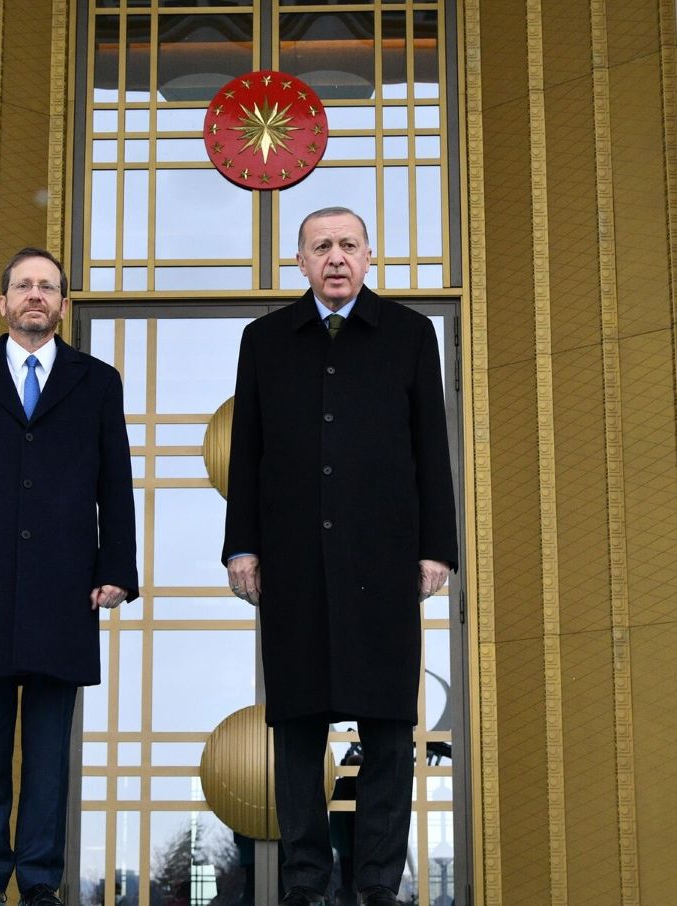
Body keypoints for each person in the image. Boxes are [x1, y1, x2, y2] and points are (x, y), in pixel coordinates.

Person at [222, 208, 457, 906]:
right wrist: (242, 546)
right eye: (320, 246)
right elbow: (249, 454)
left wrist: (436, 550)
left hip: (382, 555)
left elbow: (430, 450)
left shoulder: (409, 335)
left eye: (347, 245)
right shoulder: (263, 340)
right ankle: (303, 878)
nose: (334, 257)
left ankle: (379, 879)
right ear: (298, 261)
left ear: (368, 256)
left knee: (386, 721)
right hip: (292, 557)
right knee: (297, 721)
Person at [0, 248, 138, 906]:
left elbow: (114, 485)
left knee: (47, 750)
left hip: (64, 588)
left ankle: (40, 880)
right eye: (23, 286)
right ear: (3, 303)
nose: (35, 296)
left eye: (47, 287)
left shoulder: (97, 382)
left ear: (63, 306)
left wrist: (116, 568)